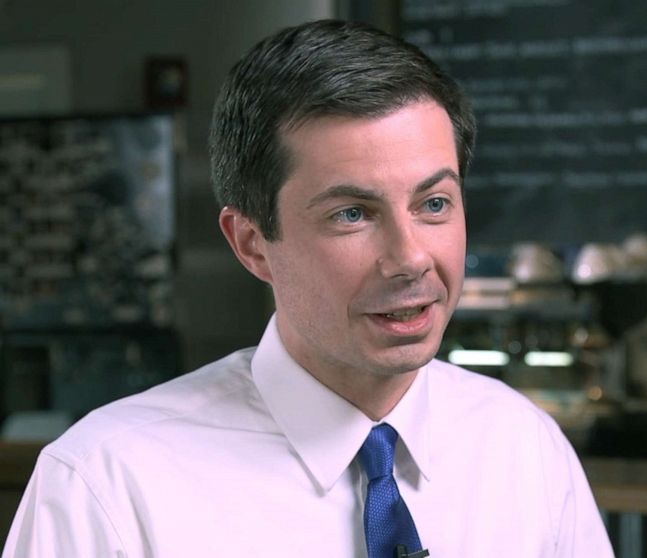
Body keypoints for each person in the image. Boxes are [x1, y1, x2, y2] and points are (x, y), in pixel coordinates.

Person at [3, 19, 614, 557]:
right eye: (351, 214)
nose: (409, 259)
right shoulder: (105, 486)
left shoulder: (523, 447)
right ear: (250, 243)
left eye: (433, 203)